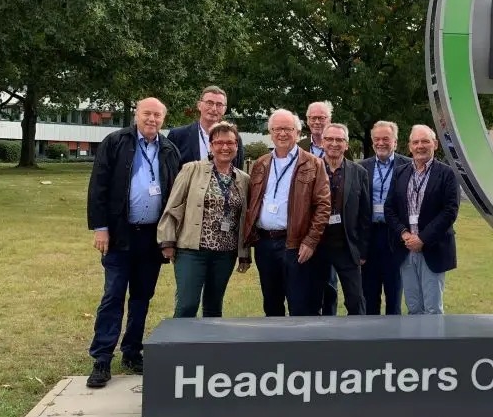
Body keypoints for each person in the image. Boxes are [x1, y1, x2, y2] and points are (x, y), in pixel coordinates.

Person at [85, 97, 181, 388]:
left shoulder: (169, 149)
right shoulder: (115, 142)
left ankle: (132, 351)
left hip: (151, 237)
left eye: (157, 115)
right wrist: (101, 228)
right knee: (113, 295)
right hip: (119, 234)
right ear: (137, 115)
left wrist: (169, 237)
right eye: (147, 113)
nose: (152, 119)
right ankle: (102, 358)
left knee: (142, 297)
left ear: (163, 119)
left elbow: (175, 197)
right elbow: (98, 186)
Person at [241, 109, 331, 316]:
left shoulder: (314, 163)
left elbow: (323, 205)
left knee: (300, 304)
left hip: (295, 245)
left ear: (297, 133)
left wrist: (310, 241)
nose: (282, 133)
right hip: (264, 243)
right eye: (277, 129)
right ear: (271, 132)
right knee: (271, 304)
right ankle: (275, 338)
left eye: (288, 129)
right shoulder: (261, 163)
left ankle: (300, 338)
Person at [158, 122, 251, 319]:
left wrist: (244, 253)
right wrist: (167, 241)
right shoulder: (191, 169)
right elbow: (173, 206)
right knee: (187, 305)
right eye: (219, 142)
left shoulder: (243, 179)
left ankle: (211, 340)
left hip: (225, 253)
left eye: (230, 143)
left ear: (237, 146)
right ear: (211, 145)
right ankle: (180, 339)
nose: (225, 147)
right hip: (192, 251)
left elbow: (244, 219)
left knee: (214, 307)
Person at [384, 124, 460, 315]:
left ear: (435, 144)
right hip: (406, 248)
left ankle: (433, 337)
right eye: (416, 142)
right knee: (413, 307)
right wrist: (404, 234)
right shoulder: (400, 172)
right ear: (410, 146)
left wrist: (422, 239)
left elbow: (450, 211)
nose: (420, 146)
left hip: (432, 248)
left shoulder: (447, 173)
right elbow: (389, 209)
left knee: (432, 309)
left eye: (425, 141)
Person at [310, 123, 370, 315]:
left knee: (355, 299)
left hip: (347, 246)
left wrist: (362, 250)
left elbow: (365, 214)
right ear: (322, 142)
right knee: (317, 299)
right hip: (318, 246)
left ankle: (357, 332)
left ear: (346, 144)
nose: (334, 144)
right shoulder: (310, 169)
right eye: (329, 139)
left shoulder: (359, 172)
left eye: (339, 140)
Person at [360, 120, 404, 314]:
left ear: (395, 141)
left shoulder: (408, 165)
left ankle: (394, 331)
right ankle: (371, 331)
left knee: (394, 293)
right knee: (369, 294)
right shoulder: (362, 168)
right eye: (376, 139)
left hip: (395, 236)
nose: (381, 143)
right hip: (369, 237)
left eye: (386, 139)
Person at [300, 100, 338, 313]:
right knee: (306, 279)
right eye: (313, 118)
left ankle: (329, 321)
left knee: (330, 283)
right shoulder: (299, 147)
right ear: (307, 121)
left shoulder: (338, 143)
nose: (317, 121)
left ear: (329, 120)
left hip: (332, 224)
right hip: (303, 223)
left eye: (321, 118)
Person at [167, 85, 245, 169]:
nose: (214, 108)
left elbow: (238, 170)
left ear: (224, 110)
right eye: (209, 103)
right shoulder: (177, 136)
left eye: (219, 105)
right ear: (199, 105)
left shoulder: (234, 138)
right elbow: (170, 171)